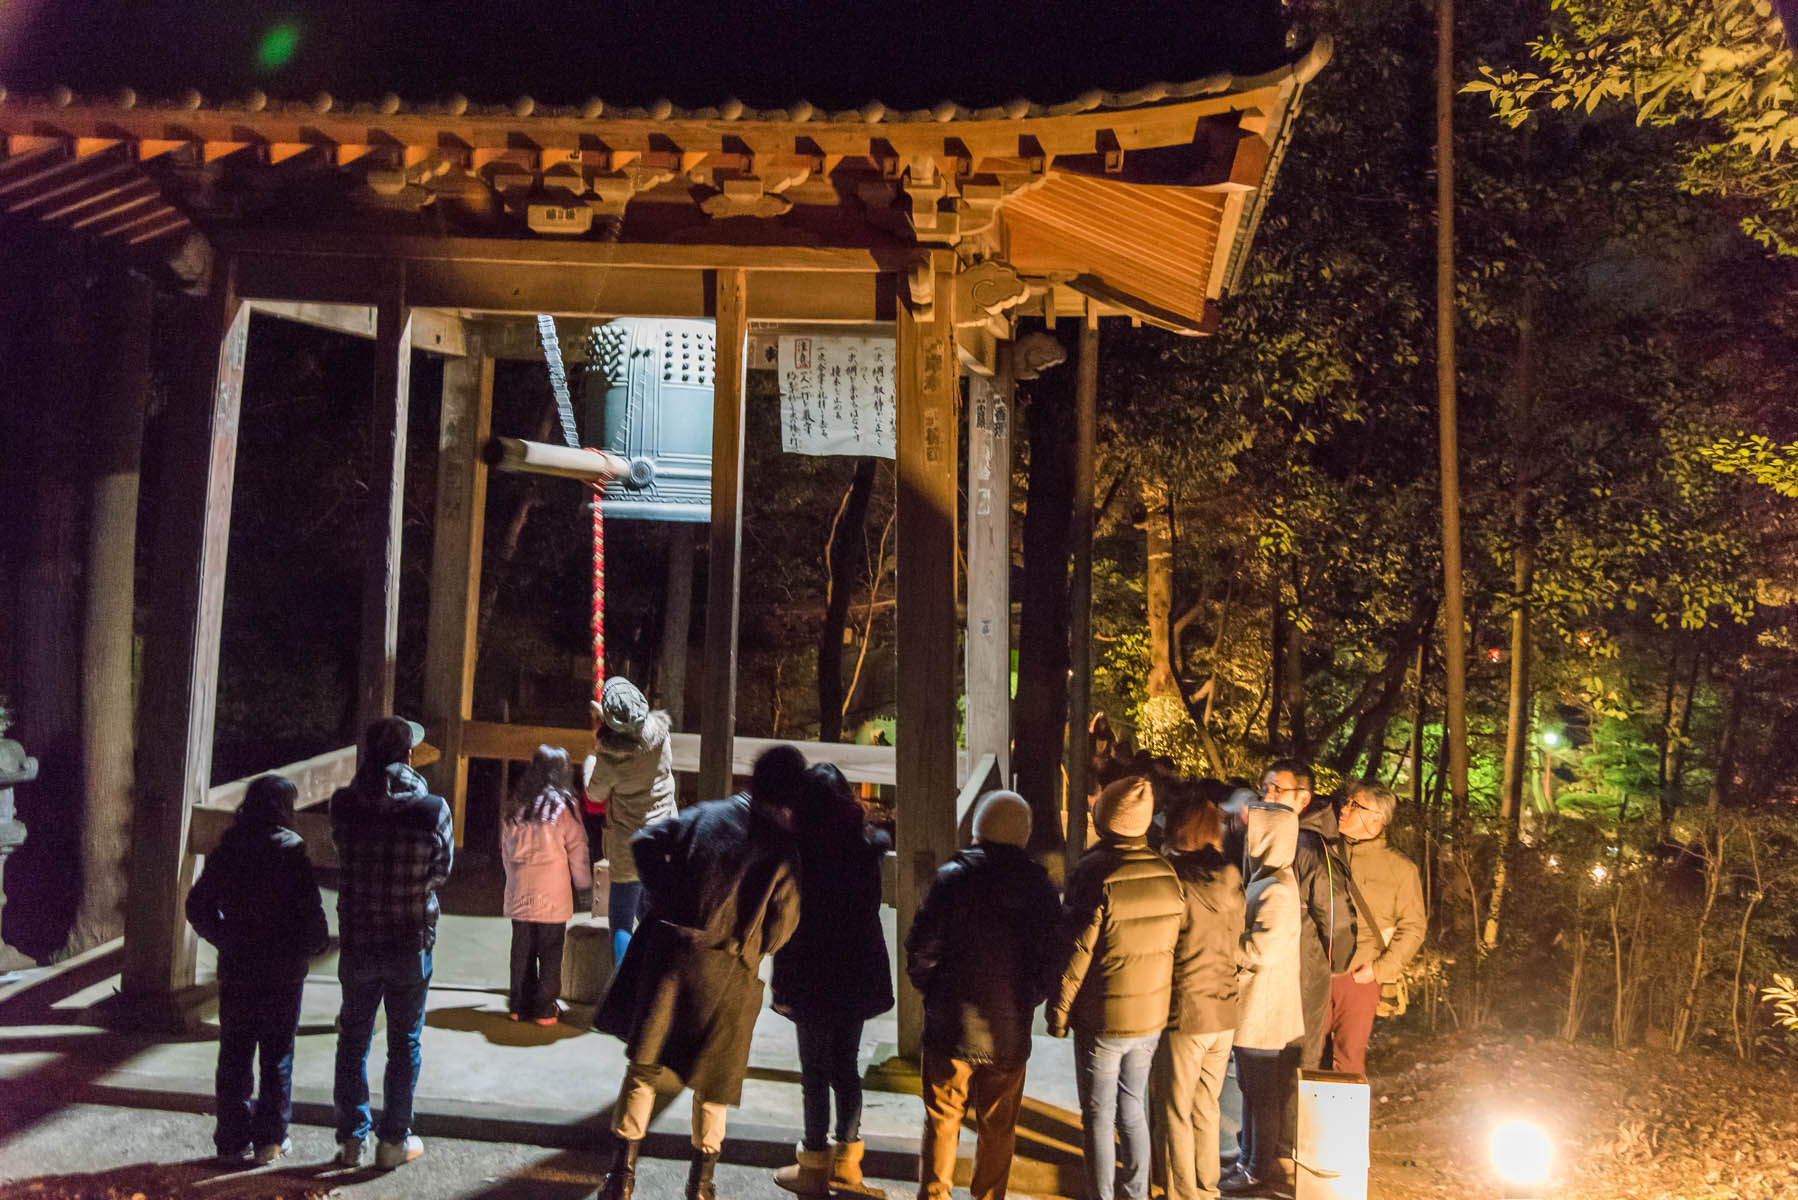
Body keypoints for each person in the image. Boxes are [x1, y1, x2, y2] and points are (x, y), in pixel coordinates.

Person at [593, 744, 805, 1200]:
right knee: (714, 1082)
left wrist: (670, 901)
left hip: (672, 957)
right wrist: (753, 945)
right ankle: (701, 1183)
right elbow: (784, 923)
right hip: (729, 969)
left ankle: (621, 1176)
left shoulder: (707, 815)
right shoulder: (782, 850)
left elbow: (644, 842)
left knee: (645, 1067)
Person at [907, 790, 1060, 1200]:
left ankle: (935, 1193)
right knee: (998, 1127)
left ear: (977, 829)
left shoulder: (952, 878)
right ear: (1023, 834)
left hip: (949, 1022)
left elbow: (921, 949)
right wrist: (1028, 998)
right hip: (1009, 1025)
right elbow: (1051, 959)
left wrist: (933, 991)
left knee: (942, 1118)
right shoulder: (1040, 889)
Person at [1047, 775, 1185, 1200]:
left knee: (1098, 1115)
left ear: (1105, 818)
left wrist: (1059, 1011)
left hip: (1103, 1017)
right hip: (1149, 1018)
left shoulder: (1094, 872)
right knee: (1133, 1110)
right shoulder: (1166, 873)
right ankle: (1138, 1192)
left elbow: (1077, 952)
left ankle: (1103, 1194)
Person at [329, 716, 454, 1170]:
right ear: (407, 756)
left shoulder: (344, 804)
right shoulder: (432, 809)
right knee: (404, 1043)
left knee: (353, 1039)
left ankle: (349, 1140)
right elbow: (442, 870)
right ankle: (393, 1141)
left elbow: (341, 852)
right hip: (410, 939)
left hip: (360, 936)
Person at [186, 774, 329, 1165]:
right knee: (277, 1055)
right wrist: (304, 948)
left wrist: (225, 937)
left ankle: (231, 1141)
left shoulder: (228, 849)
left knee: (234, 1053)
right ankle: (270, 1140)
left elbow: (197, 905)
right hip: (283, 972)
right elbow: (313, 922)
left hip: (238, 967)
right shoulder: (291, 852)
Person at [770, 763, 894, 1195]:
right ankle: (848, 1163)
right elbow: (870, 907)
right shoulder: (867, 847)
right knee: (846, 1065)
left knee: (814, 1072)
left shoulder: (796, 849)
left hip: (809, 969)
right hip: (856, 968)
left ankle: (813, 1166)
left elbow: (785, 914)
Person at [1156, 784, 1246, 1200]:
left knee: (1176, 1109)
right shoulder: (1230, 879)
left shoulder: (1175, 881)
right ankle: (1207, 1189)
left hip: (1187, 1008)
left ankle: (1182, 1193)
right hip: (1224, 1010)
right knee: (1206, 1105)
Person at [1219, 800, 1303, 1198]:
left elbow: (1262, 952)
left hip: (1263, 1010)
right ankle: (1248, 1158)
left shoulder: (1277, 891)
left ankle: (1255, 1168)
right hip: (1258, 1006)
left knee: (1260, 1095)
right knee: (1254, 1093)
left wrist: (1225, 944)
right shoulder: (1270, 880)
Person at [1261, 759, 1356, 1074]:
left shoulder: (1309, 846)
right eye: (1265, 788)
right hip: (1270, 972)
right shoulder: (1272, 836)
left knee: (1296, 1065)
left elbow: (1335, 912)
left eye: (1278, 789)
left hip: (1301, 970)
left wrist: (1332, 963)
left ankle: (1291, 1124)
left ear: (1302, 799)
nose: (1268, 796)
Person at [1330, 781, 1426, 1078]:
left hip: (1357, 977)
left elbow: (1413, 928)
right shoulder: (1325, 852)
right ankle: (1299, 1124)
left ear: (1375, 818)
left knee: (1348, 1058)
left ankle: (1342, 1125)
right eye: (1346, 803)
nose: (1343, 809)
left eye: (1353, 805)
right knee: (1303, 1054)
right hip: (1311, 972)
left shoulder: (1400, 869)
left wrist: (1379, 969)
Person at [584, 676, 678, 964]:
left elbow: (595, 793)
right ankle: (657, 982)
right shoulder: (661, 736)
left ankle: (623, 993)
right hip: (663, 838)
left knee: (621, 922)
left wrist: (592, 756)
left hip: (629, 846)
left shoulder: (611, 759)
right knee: (654, 916)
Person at [501, 745, 591, 1024]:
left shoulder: (517, 806)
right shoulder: (564, 806)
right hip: (552, 890)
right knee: (551, 950)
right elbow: (578, 849)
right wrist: (584, 886)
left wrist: (511, 878)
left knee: (522, 949)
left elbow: (505, 849)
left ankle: (518, 1006)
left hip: (520, 888)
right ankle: (544, 1009)